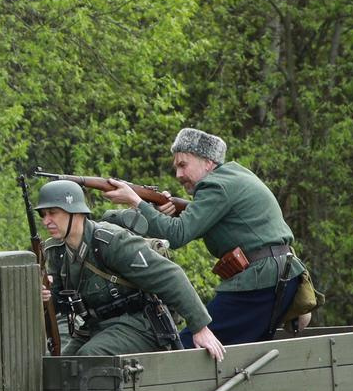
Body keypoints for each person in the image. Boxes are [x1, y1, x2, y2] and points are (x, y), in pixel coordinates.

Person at [100, 129, 311, 346]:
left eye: (183, 165)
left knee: (189, 346)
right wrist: (170, 210)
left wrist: (136, 201)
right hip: (279, 277)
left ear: (208, 162)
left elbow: (177, 234)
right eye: (176, 167)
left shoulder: (216, 185)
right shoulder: (234, 175)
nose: (178, 175)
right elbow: (218, 219)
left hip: (260, 282)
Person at [34, 179, 228, 361]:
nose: (46, 221)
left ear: (74, 211)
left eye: (53, 212)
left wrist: (199, 328)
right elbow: (60, 303)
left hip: (139, 324)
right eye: (43, 214)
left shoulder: (111, 241)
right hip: (96, 326)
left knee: (89, 357)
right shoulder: (56, 251)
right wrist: (46, 297)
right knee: (59, 366)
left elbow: (170, 275)